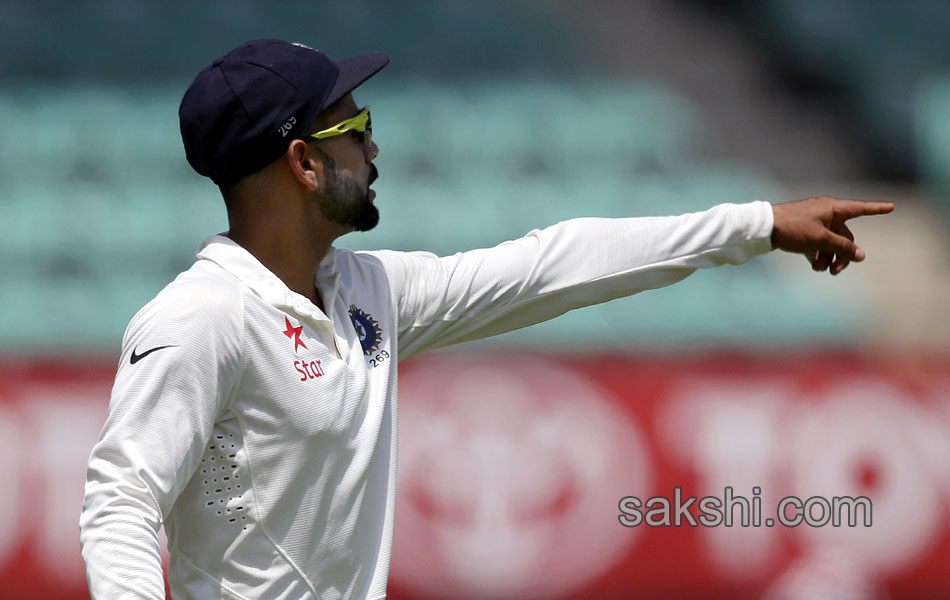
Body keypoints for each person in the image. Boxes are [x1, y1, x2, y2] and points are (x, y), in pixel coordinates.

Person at [79, 38, 894, 599]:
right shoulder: (202, 316)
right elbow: (120, 500)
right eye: (356, 129)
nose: (374, 151)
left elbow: (552, 264)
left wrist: (754, 224)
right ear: (302, 161)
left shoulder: (370, 291)